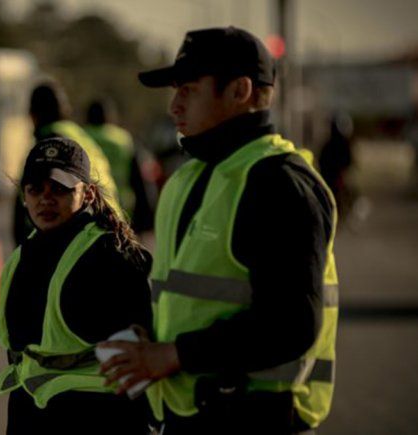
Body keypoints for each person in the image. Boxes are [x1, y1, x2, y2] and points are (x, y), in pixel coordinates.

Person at [99, 26, 339, 435]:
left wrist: (174, 353)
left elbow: (290, 325)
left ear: (240, 91)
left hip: (256, 417)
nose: (174, 106)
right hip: (190, 415)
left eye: (188, 90)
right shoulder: (189, 178)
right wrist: (153, 334)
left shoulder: (279, 183)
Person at [0, 137, 153, 434]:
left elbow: (141, 347)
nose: (46, 199)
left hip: (95, 412)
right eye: (35, 189)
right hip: (32, 407)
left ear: (88, 194)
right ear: (24, 196)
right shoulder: (21, 257)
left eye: (60, 189)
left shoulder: (111, 255)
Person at [12, 81, 122, 246]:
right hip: (112, 223)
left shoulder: (49, 144)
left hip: (82, 230)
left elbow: (26, 200)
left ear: (33, 115)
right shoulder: (80, 135)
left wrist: (22, 244)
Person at [84, 98, 155, 232]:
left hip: (91, 203)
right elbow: (138, 178)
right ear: (110, 116)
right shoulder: (122, 139)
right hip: (122, 206)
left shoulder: (83, 137)